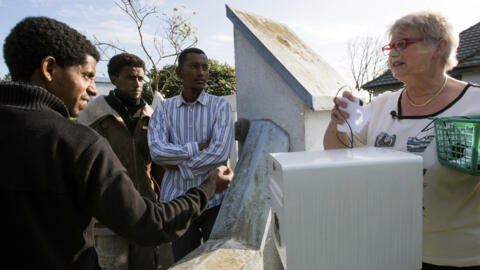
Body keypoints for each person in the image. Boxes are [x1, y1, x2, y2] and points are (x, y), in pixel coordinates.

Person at [0, 16, 233, 270]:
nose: (92, 89)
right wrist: (208, 184)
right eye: (87, 76)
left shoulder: (152, 112)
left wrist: (176, 163)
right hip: (121, 218)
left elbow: (211, 152)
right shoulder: (77, 141)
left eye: (141, 78)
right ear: (49, 69)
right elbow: (149, 216)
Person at [324, 11, 480, 269]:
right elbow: (335, 152)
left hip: (459, 257)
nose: (393, 54)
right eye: (391, 46)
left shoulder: (475, 104)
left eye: (403, 44)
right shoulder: (381, 104)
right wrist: (338, 122)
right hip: (390, 249)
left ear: (439, 47)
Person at [78, 53, 172, 269]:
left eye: (141, 78)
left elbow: (159, 165)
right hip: (107, 215)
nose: (137, 83)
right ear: (113, 79)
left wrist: (160, 203)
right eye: (130, 77)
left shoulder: (153, 118)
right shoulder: (92, 117)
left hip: (145, 211)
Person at [148, 48, 234, 261]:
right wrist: (195, 147)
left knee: (217, 261)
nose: (201, 73)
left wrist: (180, 166)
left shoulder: (219, 106)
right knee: (184, 261)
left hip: (215, 199)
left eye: (205, 67)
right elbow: (157, 151)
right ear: (179, 72)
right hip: (177, 201)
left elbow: (219, 151)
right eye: (194, 66)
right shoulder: (164, 109)